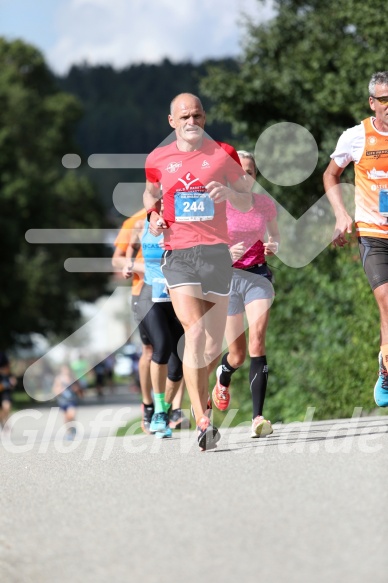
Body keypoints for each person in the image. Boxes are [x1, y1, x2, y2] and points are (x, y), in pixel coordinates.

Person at [143, 93, 252, 450]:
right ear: (172, 121)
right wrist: (153, 216)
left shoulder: (224, 152)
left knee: (209, 345)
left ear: (205, 118)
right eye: (185, 116)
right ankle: (202, 420)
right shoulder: (158, 158)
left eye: (198, 115)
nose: (192, 122)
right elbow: (150, 192)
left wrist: (229, 193)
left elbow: (246, 195)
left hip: (216, 255)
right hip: (179, 254)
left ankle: (200, 403)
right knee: (195, 330)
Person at [323, 71, 388, 407]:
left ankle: (385, 362)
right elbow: (331, 175)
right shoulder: (356, 137)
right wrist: (340, 215)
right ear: (372, 103)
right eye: (384, 100)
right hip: (374, 235)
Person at [212, 150, 280, 437]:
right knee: (237, 355)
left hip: (257, 276)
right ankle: (224, 375)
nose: (245, 176)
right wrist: (225, 254)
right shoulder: (218, 205)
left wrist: (273, 245)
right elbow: (203, 248)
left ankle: (258, 418)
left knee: (257, 341)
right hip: (227, 279)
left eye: (250, 172)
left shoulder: (264, 204)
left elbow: (275, 236)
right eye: (240, 171)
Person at [113, 210, 190, 432]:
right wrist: (134, 265)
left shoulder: (183, 216)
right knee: (154, 349)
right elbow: (117, 258)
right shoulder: (136, 222)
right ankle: (150, 407)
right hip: (144, 292)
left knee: (180, 351)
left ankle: (173, 408)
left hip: (175, 291)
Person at [52, 364, 83, 440]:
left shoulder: (73, 378)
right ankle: (69, 432)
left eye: (67, 369)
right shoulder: (59, 379)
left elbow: (79, 388)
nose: (66, 371)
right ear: (62, 370)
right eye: (64, 369)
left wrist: (77, 390)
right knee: (66, 417)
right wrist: (59, 391)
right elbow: (54, 389)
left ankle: (73, 428)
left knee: (71, 415)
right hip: (63, 401)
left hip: (72, 400)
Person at [0, 350, 16, 435]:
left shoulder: (2, 354)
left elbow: (8, 367)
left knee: (6, 406)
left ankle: (6, 424)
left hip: (4, 385)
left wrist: (11, 378)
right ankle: (2, 423)